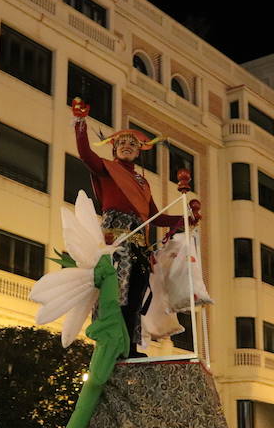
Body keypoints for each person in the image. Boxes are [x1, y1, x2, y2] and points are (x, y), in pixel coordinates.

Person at [71, 97, 193, 357]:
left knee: (136, 297)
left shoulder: (143, 183)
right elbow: (85, 155)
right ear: (114, 149)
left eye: (132, 144)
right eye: (122, 143)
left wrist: (185, 218)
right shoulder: (107, 169)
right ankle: (113, 346)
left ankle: (130, 347)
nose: (127, 146)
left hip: (139, 246)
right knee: (117, 296)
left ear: (139, 151)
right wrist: (80, 123)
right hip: (116, 241)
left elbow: (155, 216)